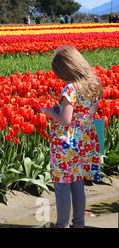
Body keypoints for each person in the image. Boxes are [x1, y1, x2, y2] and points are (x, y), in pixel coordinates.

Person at [44, 45, 103, 228]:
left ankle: (62, 225)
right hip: (83, 140)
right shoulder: (94, 84)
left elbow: (66, 120)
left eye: (60, 74)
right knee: (77, 183)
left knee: (62, 185)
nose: (60, 78)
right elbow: (90, 113)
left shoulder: (70, 89)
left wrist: (51, 112)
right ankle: (79, 223)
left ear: (66, 70)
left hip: (65, 145)